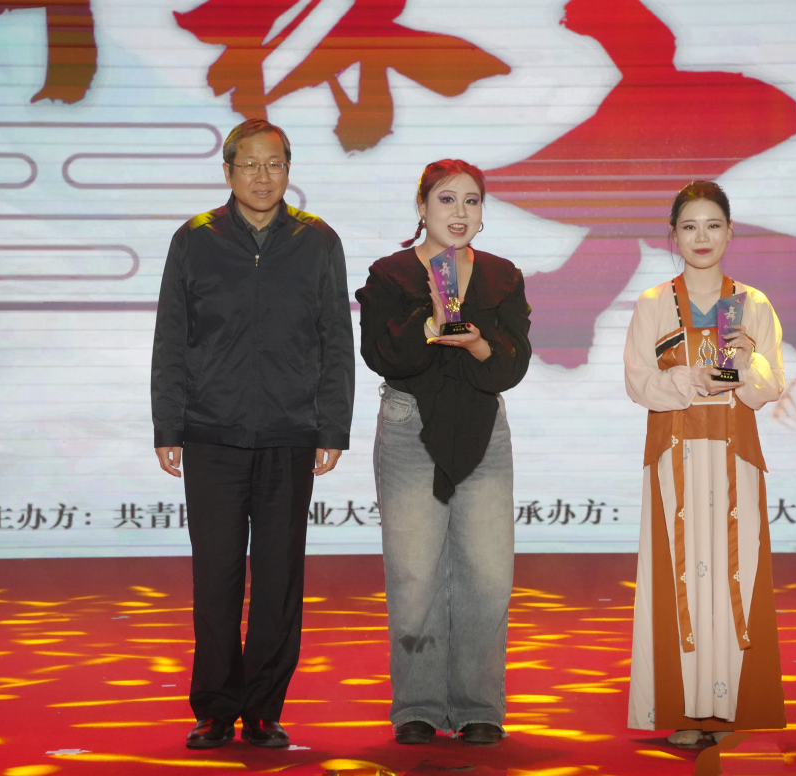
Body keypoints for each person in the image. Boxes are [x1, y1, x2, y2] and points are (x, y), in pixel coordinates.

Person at [151, 118, 355, 750]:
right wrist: (168, 424)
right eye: (249, 165)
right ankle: (215, 708)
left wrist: (332, 426)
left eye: (274, 164)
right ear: (228, 171)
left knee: (278, 579)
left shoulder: (318, 240)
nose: (262, 176)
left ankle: (264, 708)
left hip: (290, 433)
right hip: (211, 433)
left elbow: (336, 340)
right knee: (214, 578)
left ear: (288, 170)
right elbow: (171, 337)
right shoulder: (195, 238)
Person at [355, 159, 531, 745]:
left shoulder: (502, 275)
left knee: (488, 574)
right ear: (422, 206)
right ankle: (418, 706)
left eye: (471, 201)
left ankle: (479, 705)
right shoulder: (390, 274)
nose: (460, 212)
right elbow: (383, 357)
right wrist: (431, 320)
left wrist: (479, 345)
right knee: (414, 573)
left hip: (482, 426)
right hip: (410, 427)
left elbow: (511, 367)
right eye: (446, 199)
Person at [623, 181, 786, 745]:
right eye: (689, 226)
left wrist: (746, 361)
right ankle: (687, 710)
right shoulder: (652, 303)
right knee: (681, 578)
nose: (702, 237)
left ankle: (730, 710)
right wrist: (688, 378)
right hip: (675, 455)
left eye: (713, 225)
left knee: (735, 576)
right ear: (673, 234)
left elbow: (770, 385)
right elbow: (638, 382)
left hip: (735, 456)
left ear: (730, 232)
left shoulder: (753, 304)